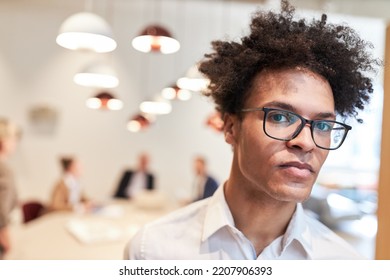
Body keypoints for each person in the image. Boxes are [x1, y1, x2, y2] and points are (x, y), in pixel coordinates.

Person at [125, 0, 380, 259]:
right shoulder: (153, 250)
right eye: (280, 117)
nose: (306, 142)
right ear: (231, 127)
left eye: (323, 125)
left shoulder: (343, 263)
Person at [0, 118, 20, 259]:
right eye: (13, 139)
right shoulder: (4, 169)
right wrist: (6, 237)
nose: (15, 143)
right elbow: (1, 210)